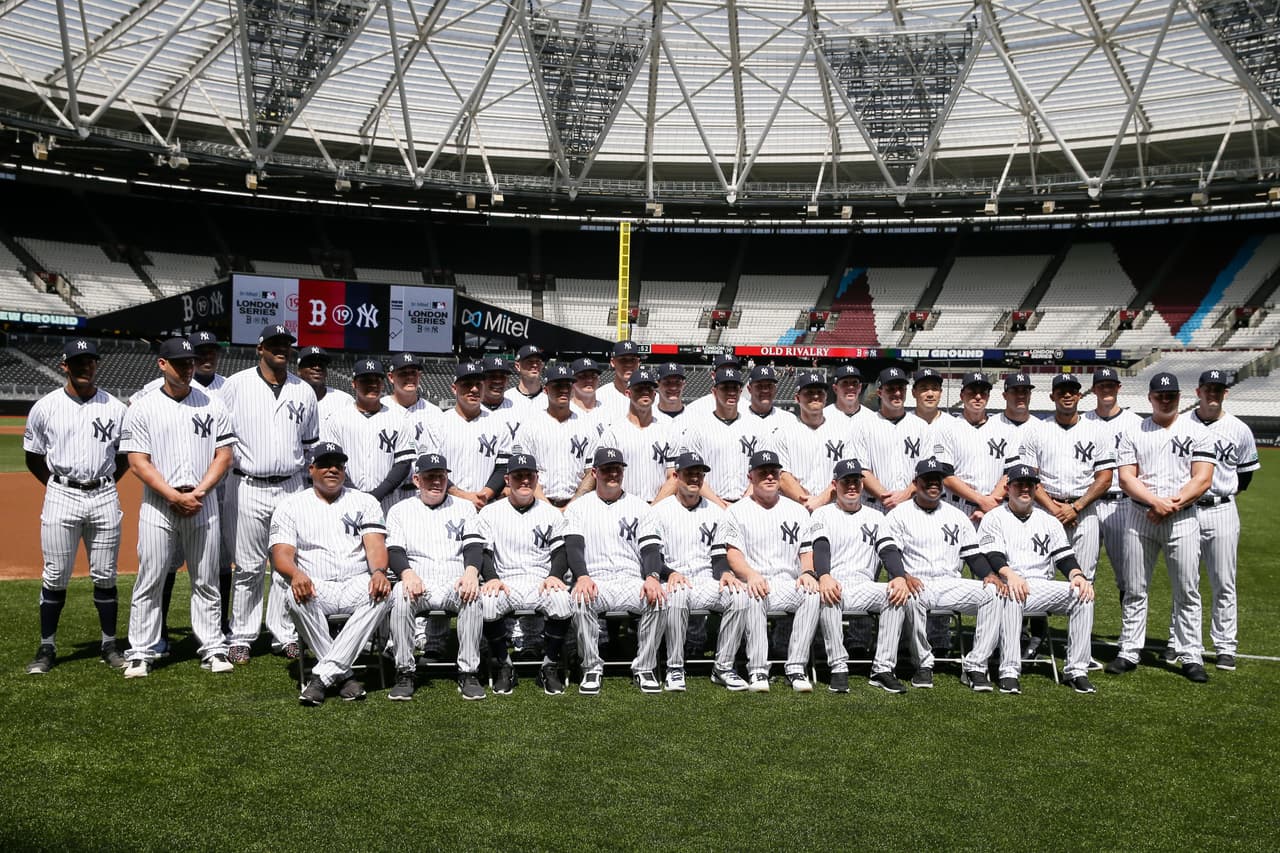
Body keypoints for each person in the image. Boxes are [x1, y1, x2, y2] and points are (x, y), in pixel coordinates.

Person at [119, 336, 236, 677]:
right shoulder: (143, 406)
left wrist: (198, 492)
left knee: (206, 579)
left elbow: (224, 455)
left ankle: (212, 647)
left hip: (203, 500)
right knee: (151, 578)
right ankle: (141, 650)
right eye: (180, 363)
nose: (188, 368)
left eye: (191, 362)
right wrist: (173, 495)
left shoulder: (212, 404)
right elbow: (138, 461)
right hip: (159, 503)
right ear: (162, 364)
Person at [23, 338, 130, 674]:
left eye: (91, 361)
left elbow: (125, 457)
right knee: (55, 575)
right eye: (78, 361)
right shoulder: (45, 406)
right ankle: (47, 647)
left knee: (105, 574)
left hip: (103, 494)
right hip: (61, 494)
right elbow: (33, 457)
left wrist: (106, 482)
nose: (86, 367)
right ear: (64, 365)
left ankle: (109, 644)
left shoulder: (115, 407)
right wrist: (58, 486)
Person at [1107, 373, 1216, 683]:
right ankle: (1129, 650)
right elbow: (1127, 478)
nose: (1165, 399)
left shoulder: (1198, 431)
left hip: (1181, 518)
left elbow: (1202, 478)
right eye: (1160, 395)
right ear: (1150, 398)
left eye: (1171, 395)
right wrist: (1155, 503)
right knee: (1135, 588)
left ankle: (1190, 654)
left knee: (1187, 589)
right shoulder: (1135, 431)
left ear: (1180, 397)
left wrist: (1170, 506)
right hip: (1141, 517)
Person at [222, 324, 318, 663]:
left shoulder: (303, 390)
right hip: (247, 483)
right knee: (247, 567)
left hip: (291, 485)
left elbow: (310, 447)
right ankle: (243, 636)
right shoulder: (234, 386)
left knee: (286, 566)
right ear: (259, 349)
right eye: (275, 344)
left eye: (287, 344)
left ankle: (284, 635)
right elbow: (220, 438)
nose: (282, 349)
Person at [270, 442, 392, 705]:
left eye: (338, 465)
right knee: (293, 595)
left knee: (384, 594)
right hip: (316, 584)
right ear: (311, 469)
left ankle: (322, 677)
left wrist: (380, 572)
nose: (333, 470)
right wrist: (296, 574)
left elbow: (375, 545)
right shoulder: (291, 505)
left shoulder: (365, 501)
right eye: (325, 464)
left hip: (356, 582)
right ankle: (345, 675)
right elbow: (281, 554)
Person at [638, 451, 754, 692]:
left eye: (699, 474)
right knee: (678, 595)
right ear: (676, 476)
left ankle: (723, 667)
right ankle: (675, 668)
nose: (694, 478)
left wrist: (725, 573)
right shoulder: (657, 511)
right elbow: (651, 555)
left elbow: (719, 556)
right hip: (675, 578)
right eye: (689, 473)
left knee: (740, 595)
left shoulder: (717, 512)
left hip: (705, 580)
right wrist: (668, 573)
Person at [465, 453, 579, 695]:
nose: (524, 481)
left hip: (541, 580)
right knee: (487, 602)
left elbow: (561, 552)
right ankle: (504, 666)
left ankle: (549, 666)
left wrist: (555, 575)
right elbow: (483, 552)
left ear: (537, 479)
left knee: (562, 600)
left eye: (529, 476)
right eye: (518, 476)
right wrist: (492, 577)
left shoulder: (551, 513)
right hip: (506, 580)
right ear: (507, 479)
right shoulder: (490, 513)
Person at [890, 458, 1008, 691]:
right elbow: (890, 552)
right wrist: (903, 575)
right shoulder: (899, 514)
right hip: (918, 583)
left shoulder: (956, 516)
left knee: (994, 593)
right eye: (928, 480)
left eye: (938, 480)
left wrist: (989, 574)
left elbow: (973, 555)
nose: (933, 484)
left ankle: (975, 666)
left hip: (951, 583)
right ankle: (923, 664)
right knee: (910, 596)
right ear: (916, 482)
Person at [980, 464, 1098, 694]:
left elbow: (1064, 557)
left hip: (1042, 586)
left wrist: (1078, 576)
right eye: (1019, 484)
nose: (1025, 489)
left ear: (1036, 488)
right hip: (1010, 583)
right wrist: (1011, 576)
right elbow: (993, 556)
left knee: (1083, 595)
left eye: (1030, 485)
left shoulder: (1048, 521)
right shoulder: (994, 518)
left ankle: (1077, 671)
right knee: (1014, 593)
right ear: (1007, 488)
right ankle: (1009, 671)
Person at [810, 459, 918, 694]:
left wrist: (898, 576)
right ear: (834, 484)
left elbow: (888, 550)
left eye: (856, 481)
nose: (851, 486)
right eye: (846, 481)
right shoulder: (822, 514)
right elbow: (820, 547)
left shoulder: (877, 516)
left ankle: (883, 669)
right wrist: (825, 576)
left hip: (864, 585)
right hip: (835, 581)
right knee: (828, 594)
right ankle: (838, 667)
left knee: (896, 593)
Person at [384, 452, 485, 701]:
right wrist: (407, 574)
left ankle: (468, 671)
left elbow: (473, 546)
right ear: (417, 480)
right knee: (400, 595)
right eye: (430, 477)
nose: (436, 482)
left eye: (441, 476)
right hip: (419, 581)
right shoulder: (400, 510)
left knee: (472, 594)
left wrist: (471, 572)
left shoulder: (464, 507)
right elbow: (394, 550)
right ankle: (405, 670)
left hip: (454, 580)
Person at [563, 446, 659, 695]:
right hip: (596, 579)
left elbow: (650, 549)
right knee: (580, 598)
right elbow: (573, 547)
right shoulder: (578, 507)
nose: (613, 474)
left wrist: (652, 577)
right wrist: (582, 576)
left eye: (617, 468)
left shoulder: (641, 507)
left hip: (630, 579)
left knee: (658, 598)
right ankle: (591, 667)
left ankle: (645, 667)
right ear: (595, 472)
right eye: (607, 469)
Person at [723, 450, 821, 692]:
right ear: (751, 477)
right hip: (755, 579)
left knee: (812, 594)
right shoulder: (736, 510)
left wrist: (808, 572)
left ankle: (796, 666)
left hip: (788, 582)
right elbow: (733, 555)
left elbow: (806, 552)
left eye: (774, 472)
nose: (769, 477)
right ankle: (757, 670)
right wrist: (750, 575)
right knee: (754, 593)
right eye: (762, 472)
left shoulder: (797, 510)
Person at [1182, 369, 1259, 671]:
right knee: (1185, 581)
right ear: (1198, 392)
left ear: (1225, 392)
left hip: (1222, 509)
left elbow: (1246, 477)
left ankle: (1225, 645)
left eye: (1218, 389)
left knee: (1223, 582)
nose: (1213, 394)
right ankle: (1184, 643)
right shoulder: (1181, 424)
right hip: (1186, 509)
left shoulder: (1238, 428)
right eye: (1208, 389)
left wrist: (1222, 495)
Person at [319, 358, 415, 515]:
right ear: (354, 384)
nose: (372, 385)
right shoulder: (337, 419)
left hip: (387, 501)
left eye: (377, 380)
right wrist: (354, 494)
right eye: (365, 380)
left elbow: (403, 463)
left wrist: (378, 494)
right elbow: (331, 461)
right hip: (345, 498)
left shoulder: (399, 419)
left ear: (383, 384)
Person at [773, 371, 878, 510]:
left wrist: (820, 501)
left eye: (819, 392)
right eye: (809, 392)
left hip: (834, 509)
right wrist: (806, 502)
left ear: (826, 396)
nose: (815, 396)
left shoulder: (843, 432)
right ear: (797, 398)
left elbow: (847, 473)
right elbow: (782, 476)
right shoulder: (783, 433)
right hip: (796, 508)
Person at [418, 361, 514, 510]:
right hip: (447, 504)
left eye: (478, 384)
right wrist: (464, 496)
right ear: (454, 388)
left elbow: (503, 466)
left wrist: (484, 496)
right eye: (467, 384)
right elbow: (430, 468)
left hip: (486, 505)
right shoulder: (437, 424)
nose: (474, 389)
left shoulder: (499, 424)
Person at [1082, 367, 1143, 598]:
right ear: (1094, 390)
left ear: (1118, 387)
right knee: (1083, 572)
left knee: (1127, 573)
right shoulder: (1083, 421)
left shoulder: (1135, 423)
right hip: (1089, 502)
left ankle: (1130, 633)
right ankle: (1080, 633)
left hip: (1122, 502)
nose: (1106, 389)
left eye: (1110, 385)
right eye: (1101, 386)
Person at [938, 371, 1019, 525]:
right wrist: (981, 500)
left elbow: (1011, 472)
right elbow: (945, 476)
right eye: (972, 392)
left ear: (988, 396)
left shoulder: (1005, 429)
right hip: (957, 507)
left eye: (983, 392)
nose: (978, 396)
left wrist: (988, 503)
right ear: (962, 396)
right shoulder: (947, 429)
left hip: (994, 507)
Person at [515, 363, 596, 508]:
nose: (564, 390)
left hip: (578, 505)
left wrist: (573, 505)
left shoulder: (587, 424)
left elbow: (591, 471)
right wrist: (547, 506)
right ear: (546, 390)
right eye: (558, 385)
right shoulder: (530, 425)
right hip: (538, 505)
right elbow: (525, 471)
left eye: (568, 385)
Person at [592, 369, 676, 502]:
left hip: (659, 504)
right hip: (622, 505)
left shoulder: (668, 429)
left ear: (655, 394)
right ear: (628, 393)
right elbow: (602, 475)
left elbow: (674, 476)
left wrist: (654, 507)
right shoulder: (613, 432)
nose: (645, 392)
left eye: (649, 389)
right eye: (639, 388)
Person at [296, 345, 353, 427]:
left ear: (326, 372)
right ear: (299, 370)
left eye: (321, 365)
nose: (317, 368)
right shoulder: (288, 398)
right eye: (311, 364)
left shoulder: (345, 401)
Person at [594, 340, 643, 421]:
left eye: (632, 360)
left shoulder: (652, 398)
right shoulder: (599, 397)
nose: (628, 364)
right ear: (613, 362)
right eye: (623, 360)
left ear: (638, 363)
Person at [506, 344, 546, 410]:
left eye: (538, 361)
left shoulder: (551, 399)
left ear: (542, 365)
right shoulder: (507, 398)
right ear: (518, 366)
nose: (535, 365)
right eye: (530, 361)